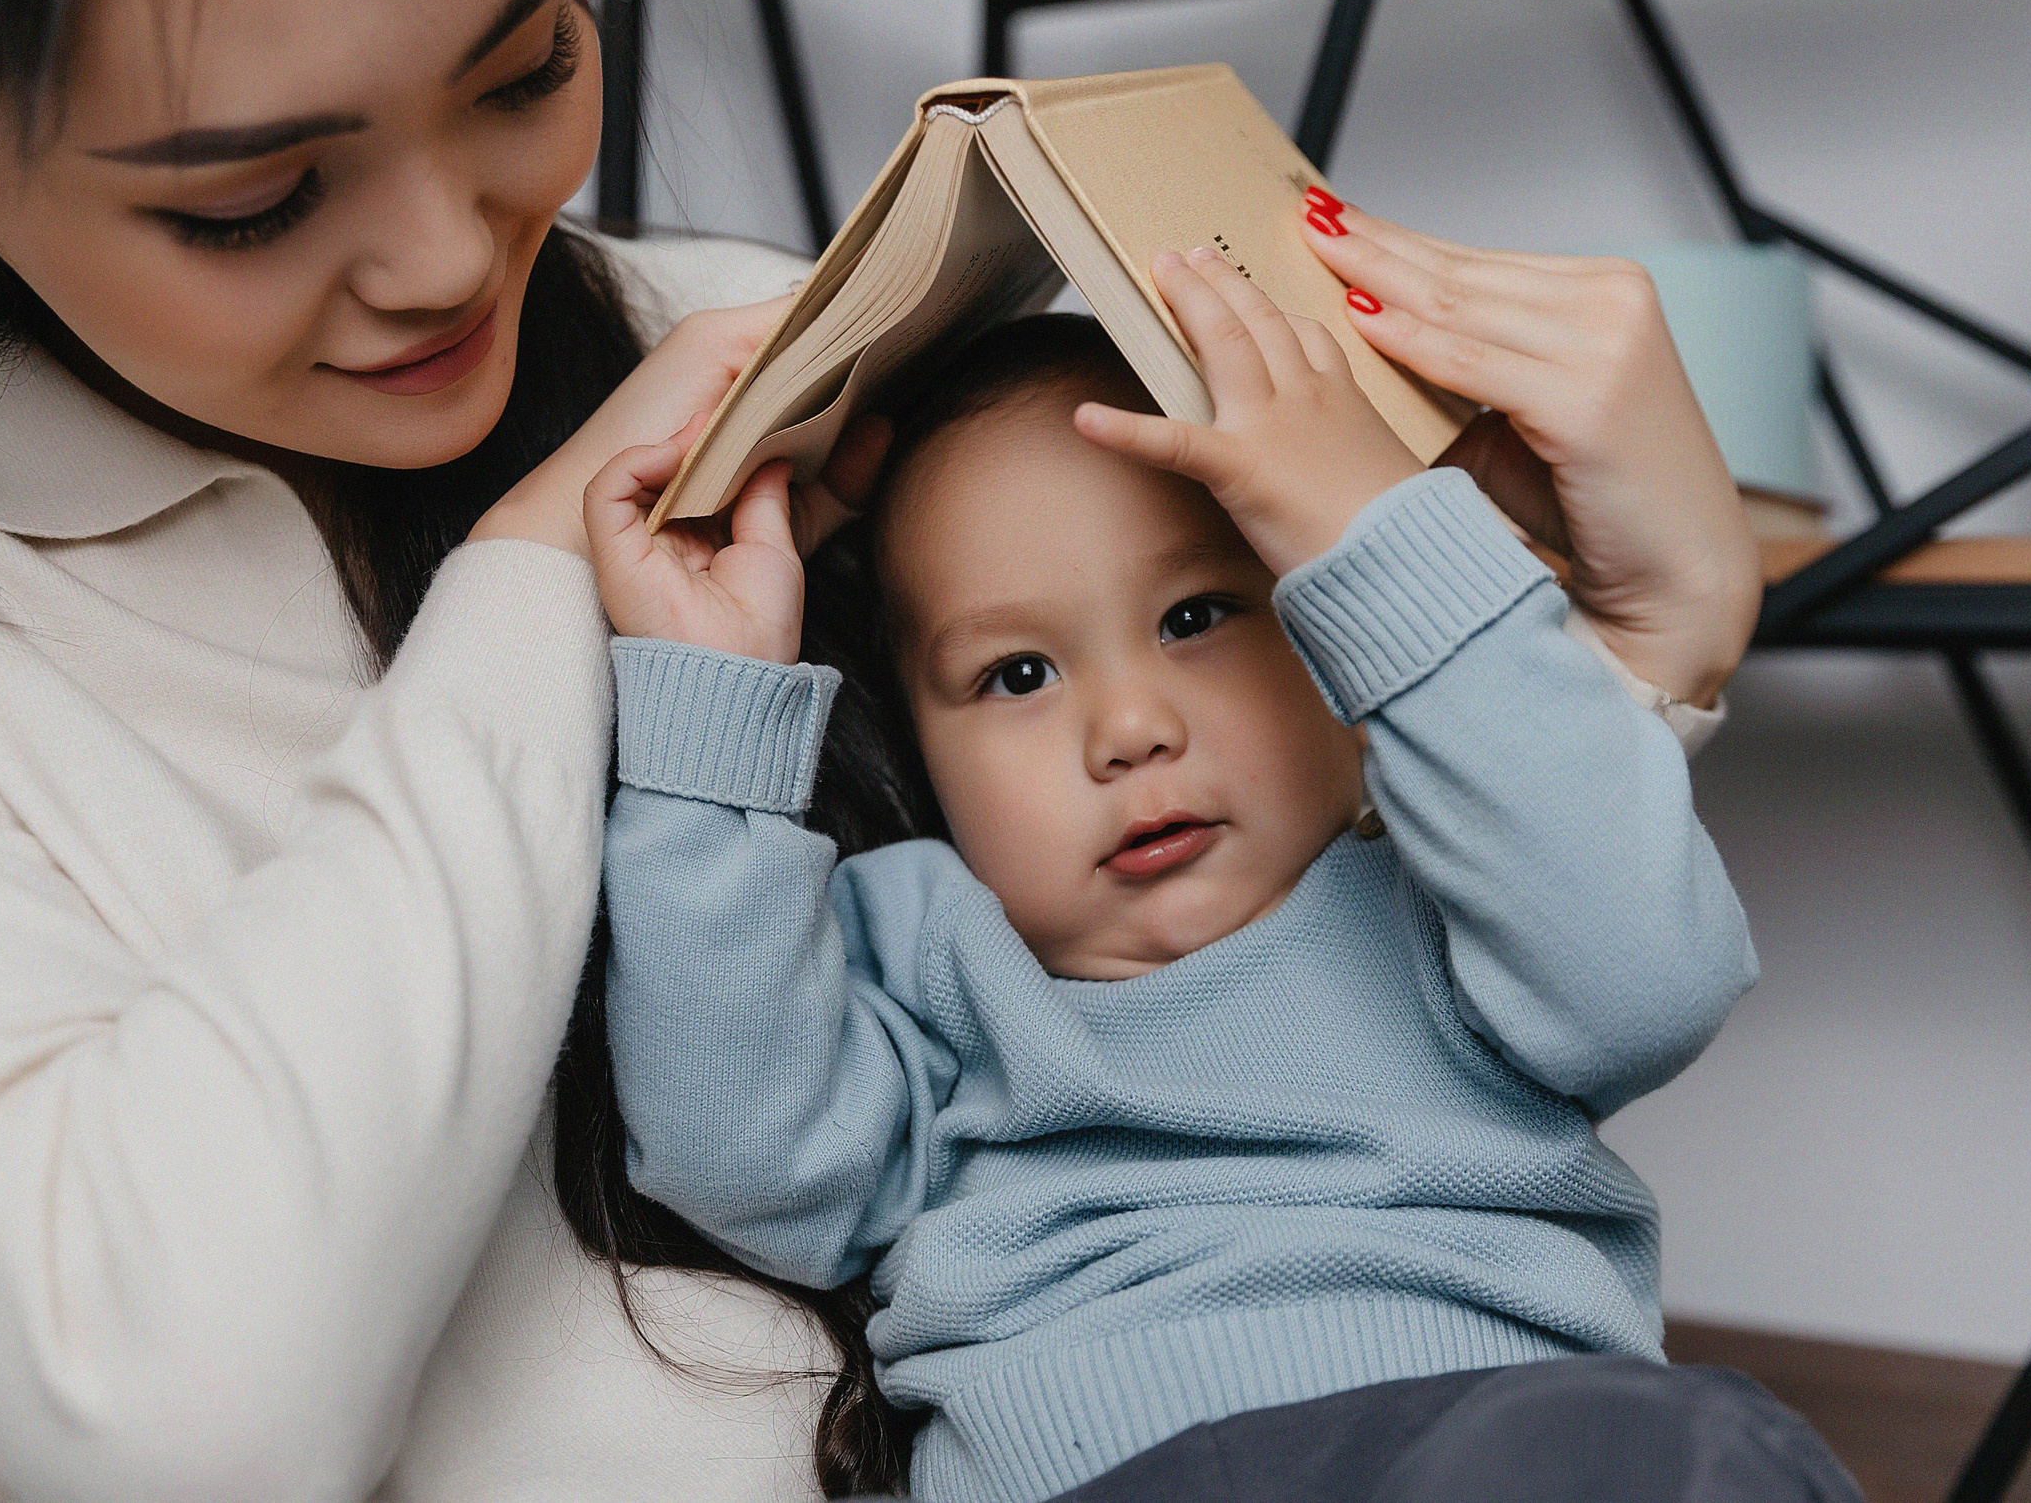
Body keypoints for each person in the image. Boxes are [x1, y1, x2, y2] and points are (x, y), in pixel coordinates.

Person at [0, 0, 1765, 1500]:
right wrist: (542, 572)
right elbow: (186, 1400)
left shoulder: (809, 354)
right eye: (256, 196)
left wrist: (1627, 644)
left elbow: (1415, 913)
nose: (453, 258)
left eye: (526, 70)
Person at [587, 263, 1855, 1503]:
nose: (1128, 728)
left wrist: (1382, 537)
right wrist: (716, 709)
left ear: (1334, 631)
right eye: (1016, 676)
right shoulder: (917, 939)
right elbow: (744, 1159)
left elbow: (1647, 981)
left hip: (1476, 1439)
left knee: (1687, 1450)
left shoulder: (1450, 890)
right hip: (1089, 1468)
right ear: (920, 744)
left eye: (1196, 616)